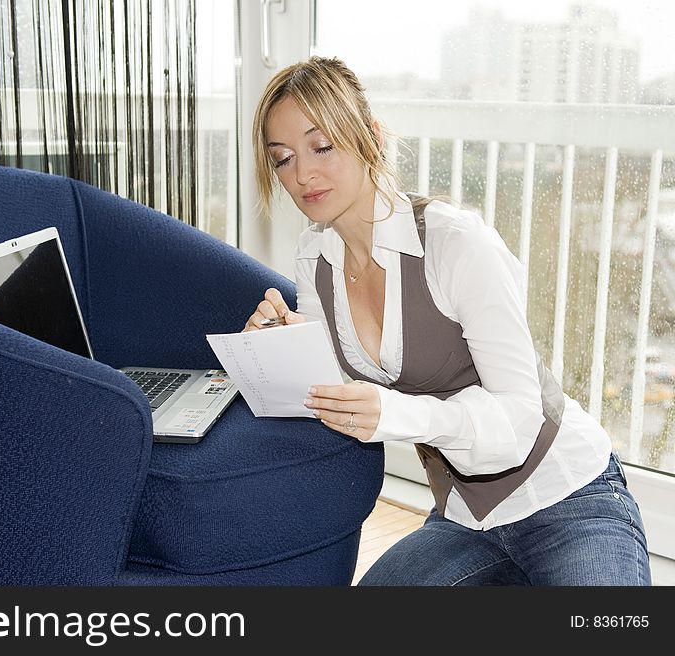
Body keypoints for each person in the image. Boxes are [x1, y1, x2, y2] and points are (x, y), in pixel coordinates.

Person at [244, 56, 651, 586]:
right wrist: (280, 347)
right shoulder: (314, 257)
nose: (302, 175)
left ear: (370, 137)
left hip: (567, 494)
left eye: (322, 147)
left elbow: (518, 420)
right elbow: (336, 391)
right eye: (283, 159)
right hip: (465, 517)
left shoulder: (455, 242)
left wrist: (400, 414)